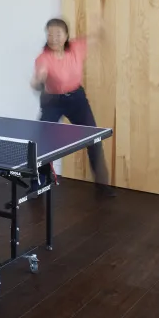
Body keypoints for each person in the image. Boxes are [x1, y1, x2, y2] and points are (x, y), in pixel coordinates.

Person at [31, 17, 114, 196]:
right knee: (41, 141)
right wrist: (37, 80)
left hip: (77, 100)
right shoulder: (43, 58)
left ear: (66, 35)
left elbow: (94, 38)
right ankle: (39, 181)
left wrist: (103, 30)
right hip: (52, 101)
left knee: (94, 138)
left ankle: (102, 185)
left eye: (58, 33)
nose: (53, 38)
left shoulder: (76, 47)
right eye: (50, 34)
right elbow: (38, 77)